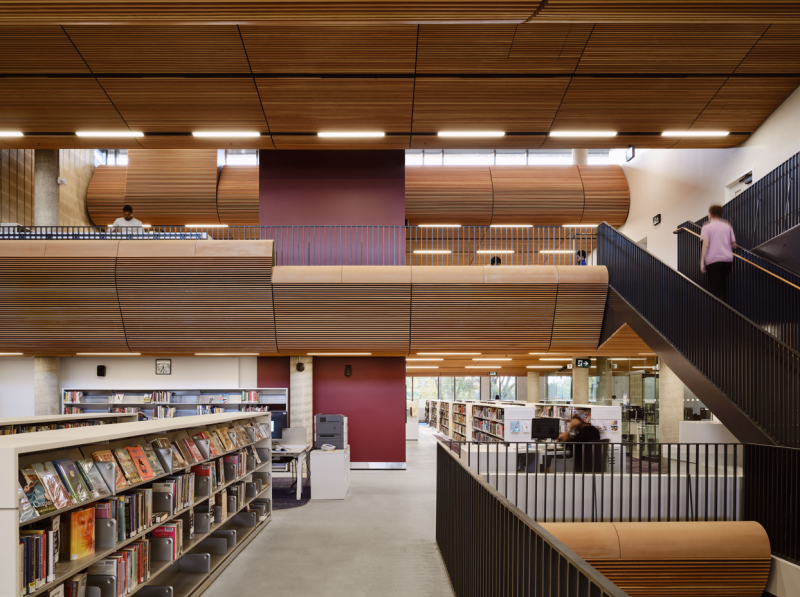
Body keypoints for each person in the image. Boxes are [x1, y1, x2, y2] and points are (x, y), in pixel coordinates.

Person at [700, 204, 737, 302]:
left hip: (713, 260)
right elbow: (734, 245)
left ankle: (718, 312)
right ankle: (724, 308)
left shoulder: (706, 226)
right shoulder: (727, 225)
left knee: (714, 287)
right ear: (721, 214)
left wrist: (702, 262)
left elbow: (706, 244)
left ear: (710, 214)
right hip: (727, 260)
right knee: (723, 284)